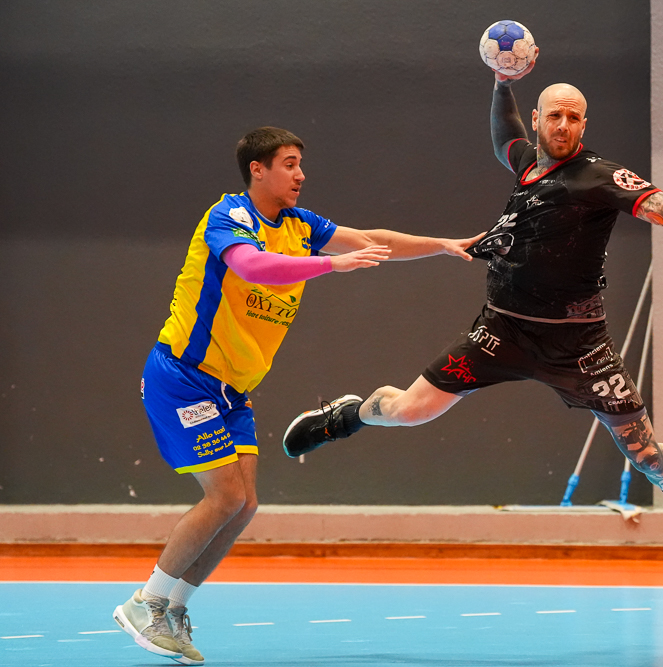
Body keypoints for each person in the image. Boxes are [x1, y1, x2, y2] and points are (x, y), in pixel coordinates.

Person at [283, 57, 663, 563]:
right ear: (540, 119)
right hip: (501, 332)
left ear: (583, 125)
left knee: (649, 457)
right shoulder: (527, 164)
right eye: (554, 116)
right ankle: (345, 416)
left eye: (573, 118)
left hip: (579, 346)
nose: (563, 126)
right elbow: (505, 133)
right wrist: (502, 84)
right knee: (408, 411)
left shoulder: (599, 177)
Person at [113, 126, 481, 665]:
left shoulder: (299, 225)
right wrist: (329, 263)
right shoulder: (228, 216)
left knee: (244, 505)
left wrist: (441, 246)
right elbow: (250, 265)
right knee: (223, 497)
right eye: (289, 164)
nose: (301, 175)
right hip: (185, 377)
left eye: (300, 164)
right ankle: (145, 602)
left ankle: (174, 606)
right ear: (258, 169)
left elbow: (371, 238)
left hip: (232, 389)